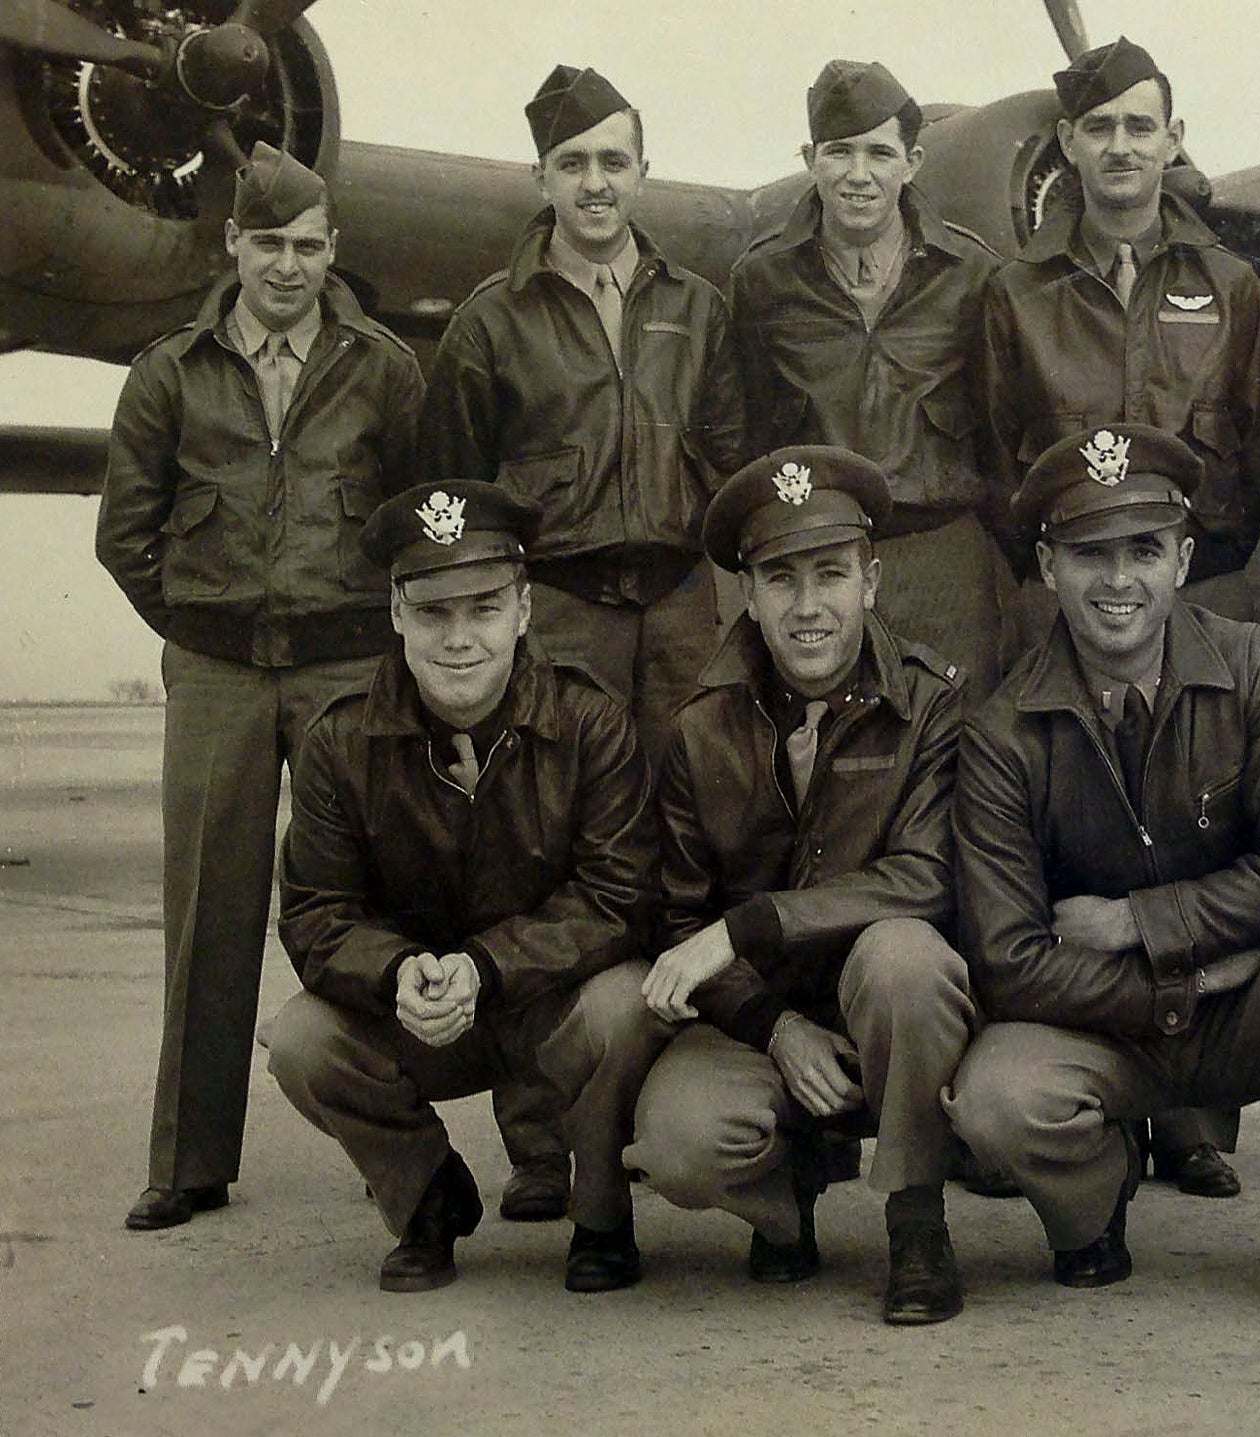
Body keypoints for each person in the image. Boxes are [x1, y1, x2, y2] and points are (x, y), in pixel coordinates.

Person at [944, 422, 1260, 1335]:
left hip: (1238, 1011)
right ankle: (1093, 1197)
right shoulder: (1001, 730)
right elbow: (1008, 958)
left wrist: (1138, 921)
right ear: (1046, 565)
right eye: (1089, 554)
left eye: (1144, 551)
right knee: (996, 1096)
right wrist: (1189, 977)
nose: (1119, 581)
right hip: (1105, 1027)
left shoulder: (1253, 666)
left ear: (1185, 558)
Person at [96, 142, 425, 1232]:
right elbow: (125, 537)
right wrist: (202, 626)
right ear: (232, 245)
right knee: (209, 913)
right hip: (218, 675)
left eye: (309, 246)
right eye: (268, 244)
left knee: (375, 906)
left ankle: (401, 1154)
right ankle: (188, 1162)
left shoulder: (381, 369)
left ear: (334, 252)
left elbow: (417, 527)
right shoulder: (169, 372)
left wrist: (371, 642)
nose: (288, 266)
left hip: (345, 673)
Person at [979, 35, 1260, 1194]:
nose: (1120, 148)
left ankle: (1196, 1110)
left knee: (1202, 822)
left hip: (1189, 593)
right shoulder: (1016, 292)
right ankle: (1066, 1082)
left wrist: (1188, 582)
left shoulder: (1231, 285)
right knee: (1065, 832)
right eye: (1098, 130)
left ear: (1172, 138)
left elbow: (1253, 443)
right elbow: (999, 452)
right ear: (1067, 146)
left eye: (1140, 126)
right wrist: (1061, 582)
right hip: (1068, 597)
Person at [604, 446, 973, 1324]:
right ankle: (783, 1203)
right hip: (761, 1021)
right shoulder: (701, 726)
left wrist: (750, 926)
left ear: (871, 580)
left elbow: (927, 877)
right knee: (681, 1143)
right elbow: (681, 916)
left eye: (831, 574)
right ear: (747, 595)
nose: (808, 607)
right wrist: (777, 1030)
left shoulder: (930, 703)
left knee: (904, 958)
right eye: (780, 578)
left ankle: (917, 1220)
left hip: (887, 1007)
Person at [262, 481, 661, 1293]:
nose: (459, 640)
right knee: (301, 1039)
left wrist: (485, 966)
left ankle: (601, 1211)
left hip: (551, 1009)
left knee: (627, 1003)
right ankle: (427, 1198)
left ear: (522, 610)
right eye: (434, 613)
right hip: (425, 1014)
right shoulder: (339, 742)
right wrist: (393, 970)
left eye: (483, 610)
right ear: (397, 614)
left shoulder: (591, 724)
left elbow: (620, 894)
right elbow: (315, 910)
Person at [419, 64, 744, 750]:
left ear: (642, 173)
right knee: (558, 807)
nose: (595, 182)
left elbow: (729, 464)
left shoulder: (697, 308)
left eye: (613, 161)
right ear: (541, 176)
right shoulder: (490, 321)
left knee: (685, 809)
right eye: (573, 163)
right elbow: (452, 488)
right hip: (558, 612)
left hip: (680, 613)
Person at [728, 59, 1008, 701]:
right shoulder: (762, 280)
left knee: (957, 740)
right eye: (839, 152)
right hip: (818, 561)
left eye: (879, 153)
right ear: (810, 160)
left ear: (911, 163)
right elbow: (741, 434)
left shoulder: (971, 274)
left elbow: (1001, 431)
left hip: (943, 560)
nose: (859, 175)